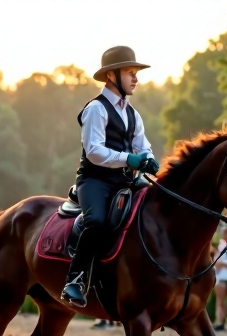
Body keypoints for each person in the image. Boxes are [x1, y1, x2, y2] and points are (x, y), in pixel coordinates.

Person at [62, 46, 159, 308]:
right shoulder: (96, 108)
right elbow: (93, 151)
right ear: (111, 76)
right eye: (130, 72)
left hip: (124, 180)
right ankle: (76, 279)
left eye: (135, 73)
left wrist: (148, 159)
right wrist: (129, 159)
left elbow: (142, 145)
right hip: (95, 180)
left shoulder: (133, 113)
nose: (135, 78)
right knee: (97, 220)